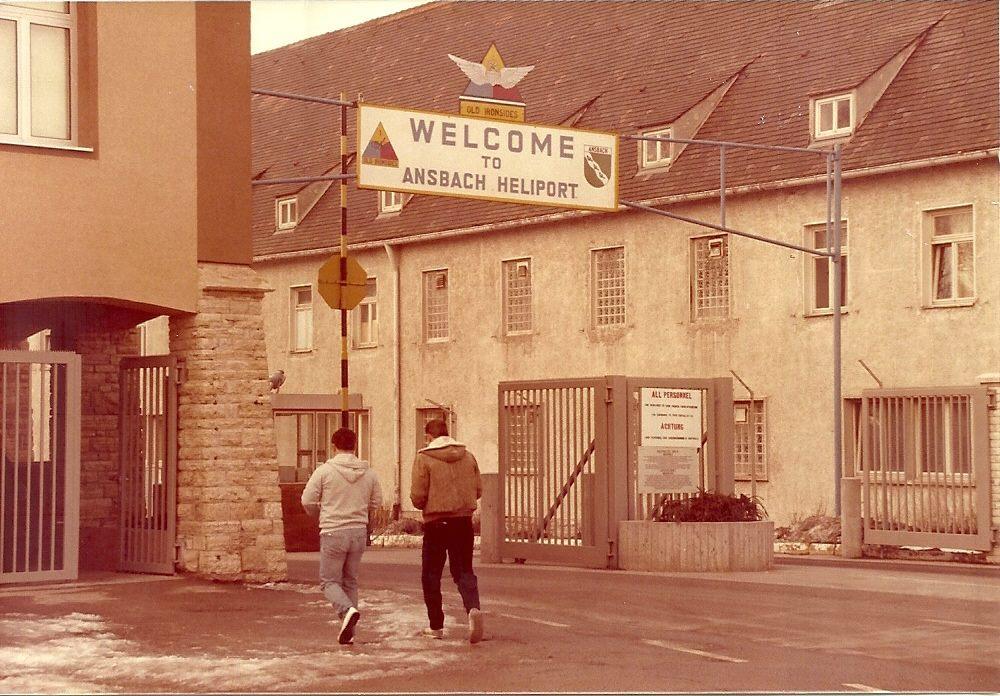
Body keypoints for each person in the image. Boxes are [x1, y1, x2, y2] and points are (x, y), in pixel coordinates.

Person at [301, 427, 382, 645]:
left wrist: (319, 513)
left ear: (333, 446)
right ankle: (350, 630)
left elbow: (307, 500)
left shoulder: (324, 471)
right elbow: (377, 502)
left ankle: (347, 611)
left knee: (328, 581)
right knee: (350, 581)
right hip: (358, 532)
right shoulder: (369, 473)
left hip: (333, 530)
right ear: (355, 445)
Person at [410, 418, 484, 643]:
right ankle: (473, 609)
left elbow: (418, 495)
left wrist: (424, 503)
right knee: (464, 570)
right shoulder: (468, 456)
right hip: (463, 521)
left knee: (431, 574)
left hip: (436, 523)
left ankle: (436, 626)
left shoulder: (424, 458)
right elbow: (478, 489)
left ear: (429, 436)